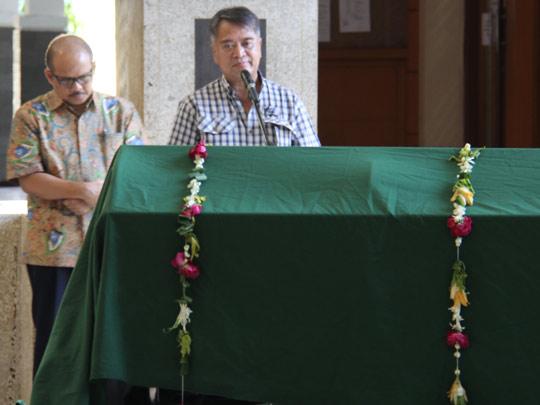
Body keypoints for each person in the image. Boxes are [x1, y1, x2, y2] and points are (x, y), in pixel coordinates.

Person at [6, 34, 146, 391]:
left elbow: (140, 172)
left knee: (115, 340)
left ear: (93, 69)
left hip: (111, 247)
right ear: (50, 76)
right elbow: (27, 176)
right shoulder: (30, 116)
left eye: (84, 77)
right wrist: (82, 191)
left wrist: (95, 195)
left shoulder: (121, 112)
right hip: (53, 252)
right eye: (67, 80)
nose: (78, 86)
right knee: (56, 343)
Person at [169, 6, 321, 147]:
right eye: (228, 45)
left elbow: (313, 162)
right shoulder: (193, 106)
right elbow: (173, 164)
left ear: (259, 47)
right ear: (215, 53)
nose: (239, 53)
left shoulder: (289, 103)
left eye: (247, 44)